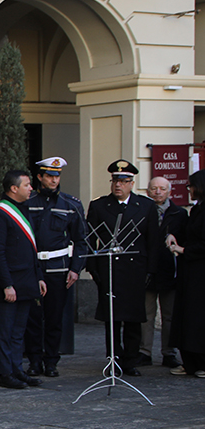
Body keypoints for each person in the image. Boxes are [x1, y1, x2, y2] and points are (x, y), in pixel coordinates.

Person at [86, 159, 159, 376]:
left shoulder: (145, 206)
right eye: (115, 180)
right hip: (109, 270)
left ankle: (130, 361)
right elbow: (91, 240)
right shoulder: (99, 206)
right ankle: (114, 360)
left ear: (131, 183)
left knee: (134, 318)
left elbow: (153, 241)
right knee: (112, 319)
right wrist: (92, 267)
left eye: (123, 181)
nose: (118, 185)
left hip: (135, 269)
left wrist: (150, 270)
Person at [22, 156, 86, 377]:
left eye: (56, 176)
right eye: (49, 176)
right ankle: (34, 360)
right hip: (33, 267)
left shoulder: (71, 204)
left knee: (54, 318)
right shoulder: (27, 204)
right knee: (32, 318)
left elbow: (81, 240)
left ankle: (51, 361)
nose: (53, 180)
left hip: (59, 269)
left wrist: (76, 268)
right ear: (39, 177)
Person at [0, 170, 47, 389]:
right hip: (9, 284)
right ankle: (5, 373)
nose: (31, 188)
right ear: (14, 188)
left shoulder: (24, 210)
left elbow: (32, 249)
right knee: (5, 330)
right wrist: (6, 285)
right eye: (27, 185)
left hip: (27, 281)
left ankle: (17, 369)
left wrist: (38, 277)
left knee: (19, 331)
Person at [140, 176, 187, 369]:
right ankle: (144, 352)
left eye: (162, 188)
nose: (158, 192)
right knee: (146, 314)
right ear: (148, 191)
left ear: (169, 191)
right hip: (147, 271)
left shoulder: (180, 214)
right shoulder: (142, 210)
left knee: (169, 315)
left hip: (171, 272)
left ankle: (169, 352)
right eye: (154, 188)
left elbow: (186, 241)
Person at [167, 170, 205, 377]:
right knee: (186, 316)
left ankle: (201, 361)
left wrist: (184, 250)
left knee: (197, 317)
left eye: (191, 186)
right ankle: (190, 361)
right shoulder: (196, 209)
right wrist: (175, 236)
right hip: (189, 272)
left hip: (200, 273)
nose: (188, 190)